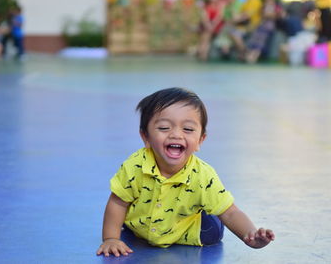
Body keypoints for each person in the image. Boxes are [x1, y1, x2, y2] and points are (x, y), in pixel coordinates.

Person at [96, 88, 275, 257]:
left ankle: (206, 209)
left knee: (213, 230)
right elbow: (118, 202)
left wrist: (250, 235)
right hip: (141, 226)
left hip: (187, 230)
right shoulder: (134, 166)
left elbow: (230, 212)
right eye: (164, 128)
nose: (176, 134)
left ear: (200, 140)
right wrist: (111, 238)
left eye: (188, 129)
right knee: (126, 219)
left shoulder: (203, 176)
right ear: (146, 137)